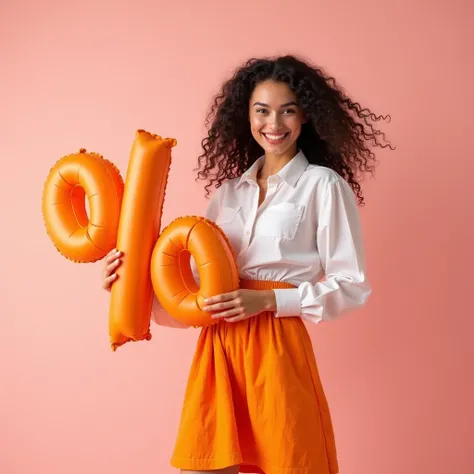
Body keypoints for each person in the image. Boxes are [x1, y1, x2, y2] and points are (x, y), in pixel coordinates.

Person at [102, 55, 392, 474]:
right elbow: (199, 297)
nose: (274, 123)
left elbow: (352, 286)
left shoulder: (323, 186)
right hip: (218, 348)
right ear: (247, 115)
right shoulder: (227, 195)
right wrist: (128, 289)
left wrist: (270, 301)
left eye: (287, 110)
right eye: (262, 110)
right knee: (203, 465)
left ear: (305, 115)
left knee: (289, 462)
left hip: (277, 348)